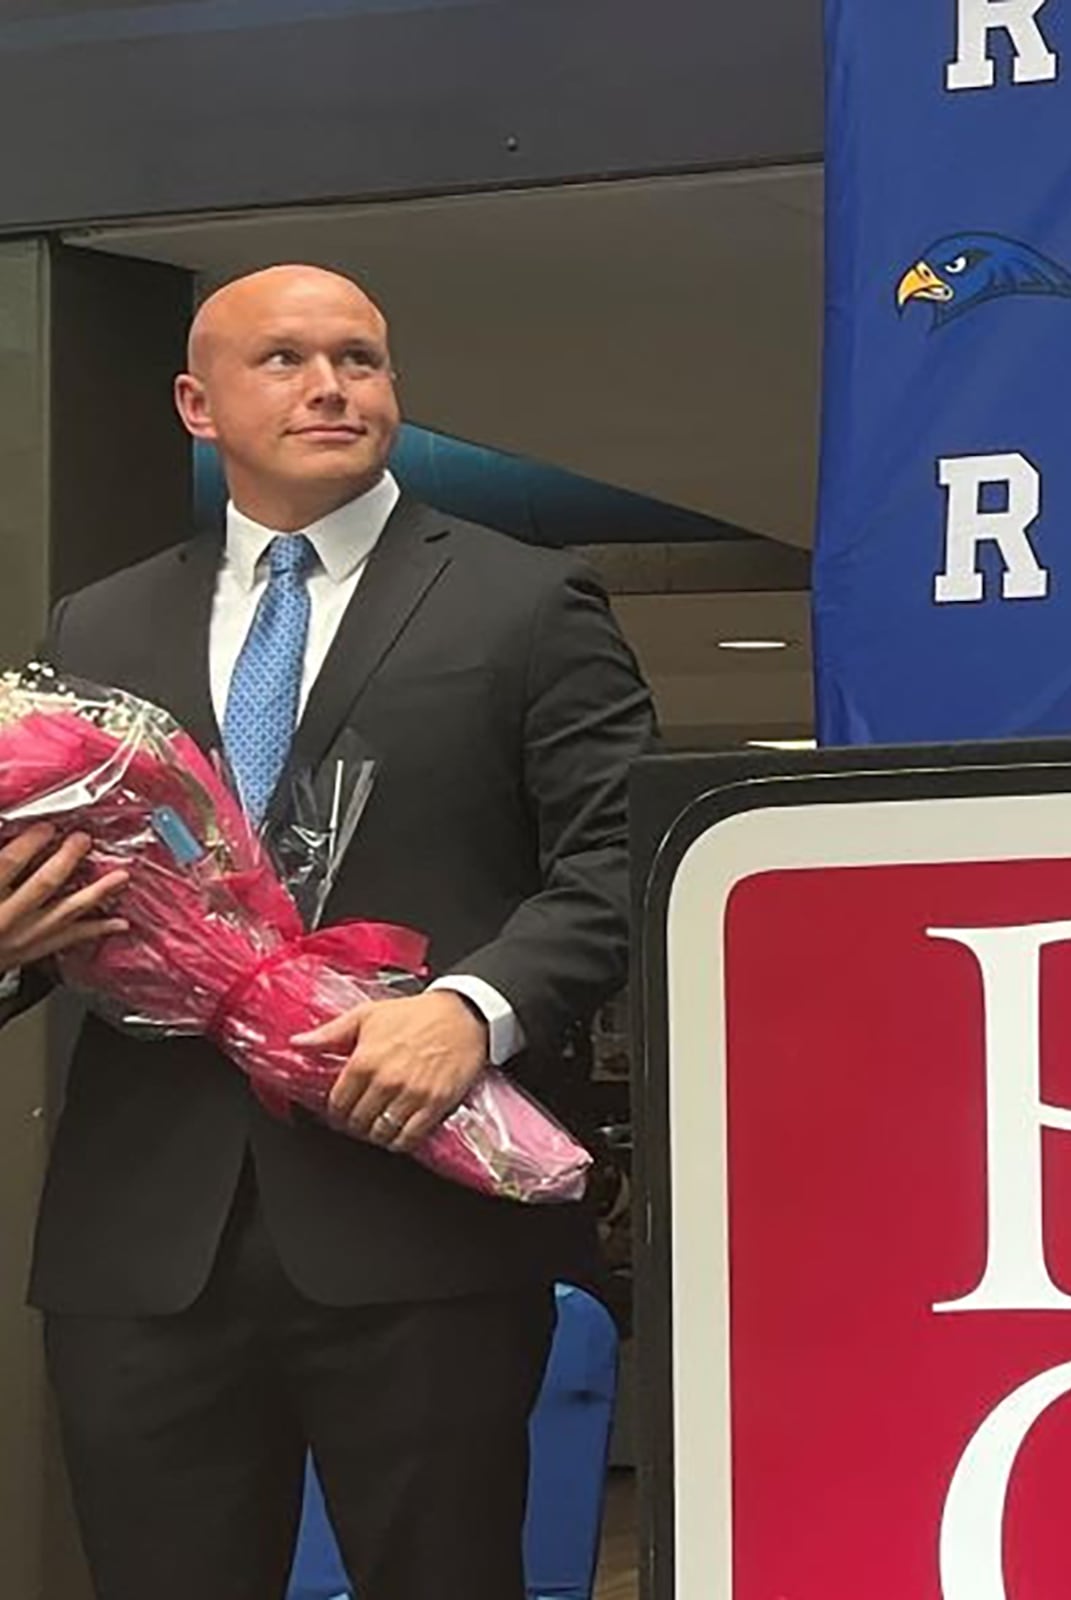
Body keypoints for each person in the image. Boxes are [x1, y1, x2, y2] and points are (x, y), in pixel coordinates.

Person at [0, 264, 656, 1598]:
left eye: (360, 358)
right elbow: (59, 886)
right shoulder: (98, 623)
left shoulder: (528, 603)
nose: (330, 385)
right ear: (197, 402)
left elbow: (625, 860)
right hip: (144, 1237)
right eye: (286, 359)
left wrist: (472, 1012)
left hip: (420, 1210)